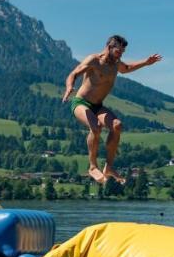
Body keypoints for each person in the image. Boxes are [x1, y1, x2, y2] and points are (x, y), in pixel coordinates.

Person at [61, 35, 162, 184]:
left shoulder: (116, 63)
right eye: (118, 51)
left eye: (122, 52)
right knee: (95, 127)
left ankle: (108, 167)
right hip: (80, 103)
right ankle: (92, 166)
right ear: (109, 47)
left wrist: (146, 63)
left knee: (117, 125)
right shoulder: (94, 60)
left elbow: (127, 68)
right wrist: (69, 87)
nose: (120, 55)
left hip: (98, 106)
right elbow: (74, 74)